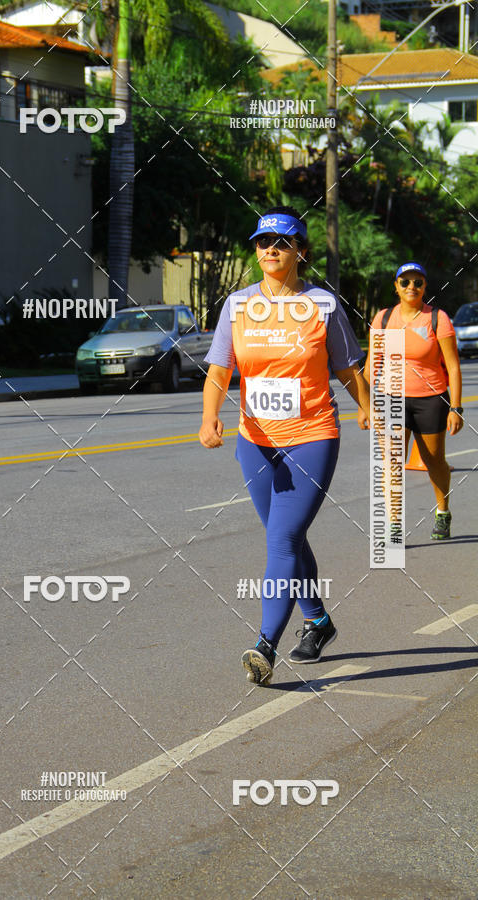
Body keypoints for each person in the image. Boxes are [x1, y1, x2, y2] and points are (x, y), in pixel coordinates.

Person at [198, 206, 371, 685]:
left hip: (312, 435)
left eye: (281, 242)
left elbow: (347, 367)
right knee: (287, 538)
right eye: (262, 243)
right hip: (254, 440)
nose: (270, 250)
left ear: (301, 251)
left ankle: (264, 646)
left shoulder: (323, 304)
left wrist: (368, 407)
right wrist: (209, 415)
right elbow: (220, 369)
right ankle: (318, 620)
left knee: (282, 540)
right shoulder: (238, 305)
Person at [358, 262, 463, 540]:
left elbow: (452, 366)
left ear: (425, 286)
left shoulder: (436, 319)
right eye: (405, 282)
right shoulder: (383, 319)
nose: (411, 287)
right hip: (391, 399)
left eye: (417, 282)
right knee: (393, 462)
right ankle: (393, 524)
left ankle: (443, 513)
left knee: (435, 461)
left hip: (431, 399)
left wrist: (456, 407)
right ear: (396, 287)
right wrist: (363, 405)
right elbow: (371, 366)